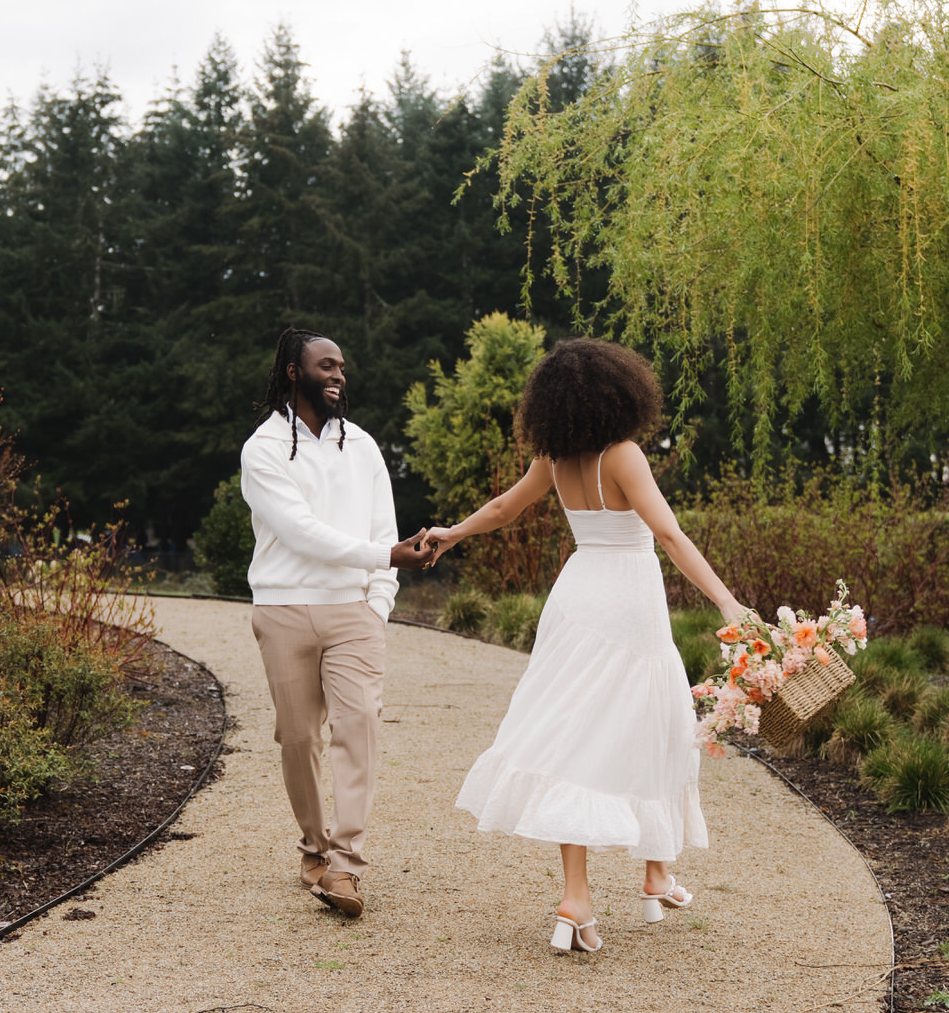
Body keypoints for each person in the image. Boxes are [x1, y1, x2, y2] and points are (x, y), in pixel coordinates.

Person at [426, 338, 746, 953]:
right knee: (651, 723)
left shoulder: (554, 457)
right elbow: (669, 536)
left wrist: (452, 533)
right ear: (621, 394)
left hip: (577, 597)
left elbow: (503, 509)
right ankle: (655, 875)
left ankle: (588, 895)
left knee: (576, 734)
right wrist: (727, 602)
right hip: (629, 598)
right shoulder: (623, 455)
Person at [240, 327, 434, 918]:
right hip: (281, 609)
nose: (338, 375)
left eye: (342, 367)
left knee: (359, 728)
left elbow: (383, 526)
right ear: (293, 372)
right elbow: (300, 532)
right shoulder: (263, 448)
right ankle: (314, 846)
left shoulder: (366, 447)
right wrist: (390, 557)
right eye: (326, 366)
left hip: (354, 613)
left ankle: (345, 865)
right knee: (298, 739)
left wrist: (378, 601)